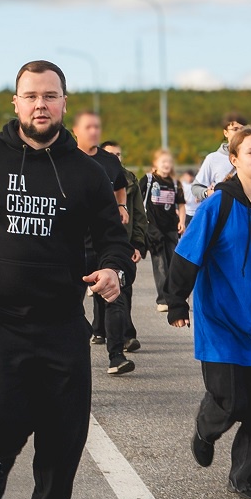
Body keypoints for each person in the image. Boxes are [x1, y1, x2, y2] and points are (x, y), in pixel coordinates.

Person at [0, 60, 135, 499]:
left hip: (61, 319)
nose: (40, 105)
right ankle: (0, 453)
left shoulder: (86, 172)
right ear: (16, 102)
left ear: (64, 103)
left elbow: (113, 236)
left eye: (50, 96)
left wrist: (113, 268)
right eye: (31, 96)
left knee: (65, 424)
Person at [166, 127, 251, 499]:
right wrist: (177, 300)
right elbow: (187, 253)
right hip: (224, 324)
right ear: (234, 160)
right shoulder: (219, 204)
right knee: (230, 400)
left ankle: (246, 476)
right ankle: (205, 427)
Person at [71, 112, 133, 374]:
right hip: (73, 243)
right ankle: (71, 357)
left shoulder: (109, 161)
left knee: (114, 295)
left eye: (98, 126)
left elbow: (120, 185)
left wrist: (121, 205)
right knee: (71, 303)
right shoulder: (65, 158)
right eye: (88, 127)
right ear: (76, 130)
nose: (94, 131)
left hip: (104, 241)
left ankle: (116, 355)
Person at [100, 140, 148, 356]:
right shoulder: (91, 174)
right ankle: (99, 329)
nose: (115, 158)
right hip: (95, 243)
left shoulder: (130, 180)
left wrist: (138, 244)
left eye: (118, 154)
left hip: (123, 243)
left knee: (122, 290)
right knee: (100, 291)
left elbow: (139, 213)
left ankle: (125, 337)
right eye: (111, 154)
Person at [139, 149, 186, 312]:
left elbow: (181, 204)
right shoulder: (149, 179)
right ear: (155, 164)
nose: (166, 165)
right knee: (160, 264)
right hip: (153, 228)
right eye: (162, 162)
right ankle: (163, 299)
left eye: (168, 162)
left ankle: (175, 294)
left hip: (171, 228)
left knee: (173, 262)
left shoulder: (174, 183)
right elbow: (137, 198)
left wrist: (181, 221)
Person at [192, 113, 248, 202]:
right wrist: (210, 193)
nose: (240, 133)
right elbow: (196, 187)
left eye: (243, 129)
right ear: (226, 133)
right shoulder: (213, 158)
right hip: (225, 209)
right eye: (235, 129)